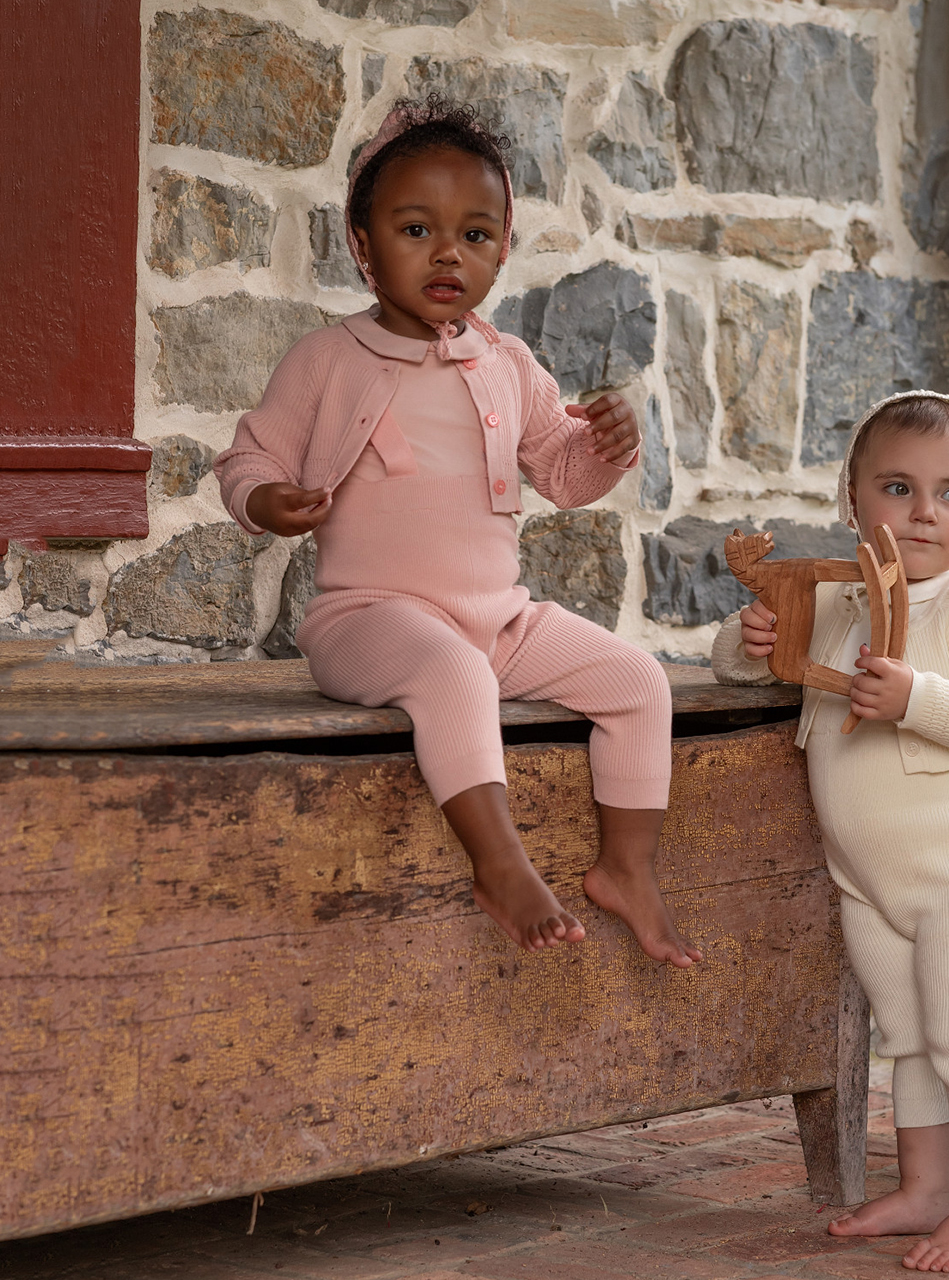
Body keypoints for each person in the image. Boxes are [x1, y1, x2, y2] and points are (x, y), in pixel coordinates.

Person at [214, 94, 701, 969]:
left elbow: (563, 474)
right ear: (362, 246)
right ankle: (500, 865)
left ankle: (628, 869)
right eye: (416, 230)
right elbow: (249, 458)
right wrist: (267, 499)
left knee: (638, 679)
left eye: (475, 235)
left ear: (503, 249)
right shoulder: (326, 361)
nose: (448, 253)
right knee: (454, 674)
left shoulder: (509, 363)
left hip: (497, 622)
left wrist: (607, 448)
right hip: (369, 621)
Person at [712, 392, 949, 1272]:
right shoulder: (837, 598)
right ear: (851, 500)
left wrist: (917, 698)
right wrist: (750, 640)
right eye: (898, 487)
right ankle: (924, 1188)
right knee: (909, 1035)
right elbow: (745, 669)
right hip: (866, 876)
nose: (924, 512)